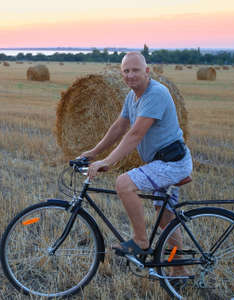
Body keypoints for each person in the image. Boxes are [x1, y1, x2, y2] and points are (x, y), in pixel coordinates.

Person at [80, 52, 192, 275]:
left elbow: (135, 134)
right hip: (162, 162)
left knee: (124, 184)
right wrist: (93, 153)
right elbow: (119, 127)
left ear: (147, 71)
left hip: (172, 163)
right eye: (126, 71)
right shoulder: (132, 97)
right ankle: (179, 270)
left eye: (135, 70)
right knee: (166, 219)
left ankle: (140, 241)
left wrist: (108, 161)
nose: (130, 75)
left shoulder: (156, 94)